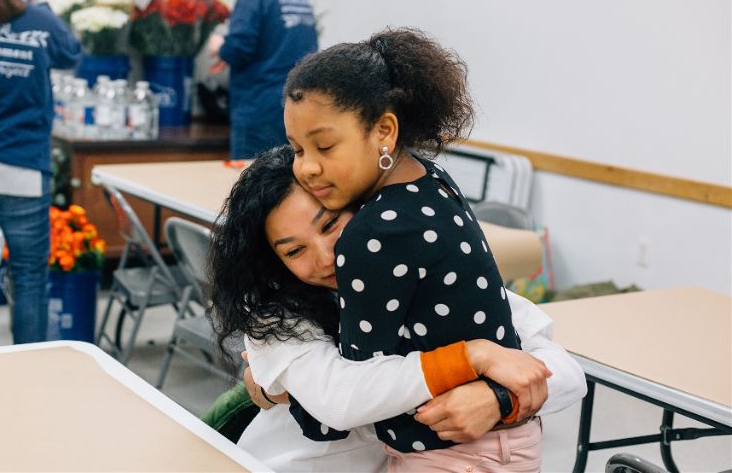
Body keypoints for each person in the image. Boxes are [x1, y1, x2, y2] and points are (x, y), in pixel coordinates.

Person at [208, 146, 586, 472]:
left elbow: (566, 372)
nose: (327, 259)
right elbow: (342, 398)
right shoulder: (277, 316)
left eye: (330, 225)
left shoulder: (427, 278)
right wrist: (474, 356)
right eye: (294, 251)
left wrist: (499, 398)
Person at [282, 27, 542, 468]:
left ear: (384, 129)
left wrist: (283, 383)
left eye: (324, 145)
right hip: (506, 443)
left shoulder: (376, 234)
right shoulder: (430, 179)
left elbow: (350, 399)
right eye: (296, 148)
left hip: (454, 455)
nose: (307, 166)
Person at [0, 0, 82, 343]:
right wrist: (40, 0)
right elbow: (71, 52)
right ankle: (30, 367)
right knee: (29, 277)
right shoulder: (39, 20)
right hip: (22, 170)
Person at [207, 0, 318, 160]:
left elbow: (239, 49)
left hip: (258, 108)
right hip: (295, 109)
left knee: (251, 182)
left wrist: (221, 46)